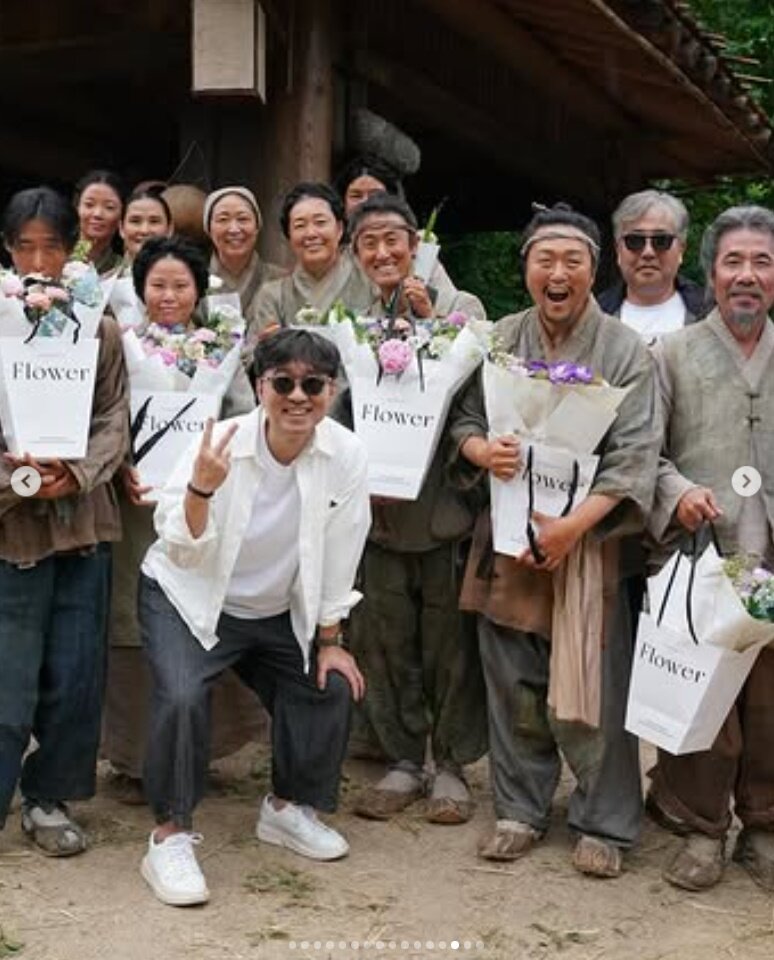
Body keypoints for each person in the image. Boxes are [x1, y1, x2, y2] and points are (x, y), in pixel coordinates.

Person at [448, 203, 660, 877]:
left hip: (588, 550)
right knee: (511, 679)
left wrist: (574, 527)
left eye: (572, 261)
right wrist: (483, 450)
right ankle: (519, 807)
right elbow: (464, 418)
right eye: (545, 260)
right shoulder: (503, 337)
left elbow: (637, 454)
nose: (557, 273)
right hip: (507, 541)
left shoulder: (623, 349)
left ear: (593, 271)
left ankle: (604, 819)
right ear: (527, 269)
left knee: (596, 689)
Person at [138, 328, 371, 906]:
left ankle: (288, 808)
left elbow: (344, 546)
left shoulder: (346, 453)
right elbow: (178, 544)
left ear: (333, 390)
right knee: (183, 695)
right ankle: (168, 835)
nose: (298, 396)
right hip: (192, 598)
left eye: (312, 384)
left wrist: (331, 638)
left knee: (329, 682)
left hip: (276, 609)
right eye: (282, 383)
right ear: (257, 387)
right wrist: (200, 489)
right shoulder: (219, 442)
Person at [340, 193, 488, 823]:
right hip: (377, 514)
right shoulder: (347, 319)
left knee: (450, 644)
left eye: (393, 240)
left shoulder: (464, 310)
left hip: (442, 506)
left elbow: (478, 404)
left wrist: (431, 328)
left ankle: (451, 765)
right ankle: (403, 759)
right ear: (356, 253)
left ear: (417, 245)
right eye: (369, 243)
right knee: (385, 638)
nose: (383, 253)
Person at [103, 236, 260, 803]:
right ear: (141, 289)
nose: (168, 296)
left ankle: (201, 754)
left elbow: (244, 416)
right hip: (136, 505)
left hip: (200, 505)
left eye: (180, 285)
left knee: (198, 618)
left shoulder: (221, 347)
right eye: (157, 285)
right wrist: (120, 464)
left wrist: (216, 465)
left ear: (198, 290)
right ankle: (132, 758)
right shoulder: (120, 343)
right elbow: (106, 411)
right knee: (129, 623)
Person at [646, 205, 774, 893]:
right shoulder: (673, 352)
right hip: (703, 551)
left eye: (761, 262)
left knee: (769, 700)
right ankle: (701, 826)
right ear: (711, 273)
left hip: (771, 556)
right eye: (733, 262)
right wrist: (678, 492)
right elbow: (647, 454)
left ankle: (762, 825)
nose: (747, 276)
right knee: (705, 698)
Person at [0, 186, 128, 854]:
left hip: (82, 528)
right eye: (27, 246)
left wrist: (74, 474)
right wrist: (22, 478)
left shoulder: (98, 327)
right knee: (6, 675)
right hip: (12, 529)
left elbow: (114, 418)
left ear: (70, 251)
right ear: (9, 249)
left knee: (77, 675)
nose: (40, 259)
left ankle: (49, 798)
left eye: (53, 245)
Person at [248, 182, 373, 347]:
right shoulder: (273, 295)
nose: (311, 233)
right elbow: (249, 355)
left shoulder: (369, 281)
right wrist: (265, 348)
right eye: (300, 226)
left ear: (340, 229)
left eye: (320, 222)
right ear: (289, 237)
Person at [598, 189, 709, 344]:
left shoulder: (710, 315)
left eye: (661, 241)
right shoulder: (594, 318)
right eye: (635, 241)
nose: (648, 252)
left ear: (681, 250)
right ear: (618, 250)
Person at [204, 186, 285, 328]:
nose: (234, 229)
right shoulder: (193, 282)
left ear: (257, 227)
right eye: (223, 219)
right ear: (209, 228)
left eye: (243, 219)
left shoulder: (280, 279)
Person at [74, 169, 126, 277]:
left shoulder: (124, 271)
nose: (97, 214)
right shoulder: (56, 258)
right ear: (77, 208)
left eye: (109, 207)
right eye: (89, 205)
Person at [119, 185, 173, 264]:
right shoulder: (101, 276)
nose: (144, 230)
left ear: (170, 229)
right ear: (121, 228)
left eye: (154, 221)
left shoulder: (186, 275)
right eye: (135, 221)